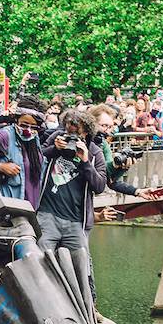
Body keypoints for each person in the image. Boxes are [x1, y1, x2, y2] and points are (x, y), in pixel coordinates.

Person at [37, 108, 107, 256]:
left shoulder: (95, 153)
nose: (71, 138)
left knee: (81, 263)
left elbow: (100, 186)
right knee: (41, 259)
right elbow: (36, 157)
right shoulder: (57, 137)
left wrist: (86, 162)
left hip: (76, 220)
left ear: (86, 133)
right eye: (69, 133)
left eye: (77, 135)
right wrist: (54, 149)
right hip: (47, 214)